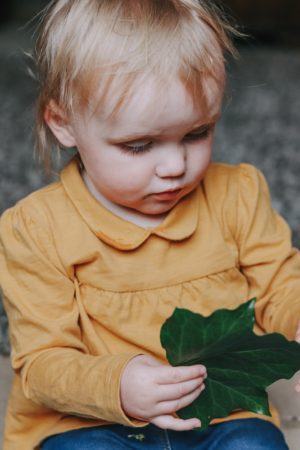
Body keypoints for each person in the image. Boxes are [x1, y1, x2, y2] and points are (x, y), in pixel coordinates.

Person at [0, 0, 299, 449]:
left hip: (217, 413)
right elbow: (41, 365)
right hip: (88, 423)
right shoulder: (36, 228)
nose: (176, 165)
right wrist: (118, 384)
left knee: (257, 443)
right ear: (64, 124)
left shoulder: (237, 194)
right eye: (139, 145)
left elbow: (280, 283)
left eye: (197, 133)